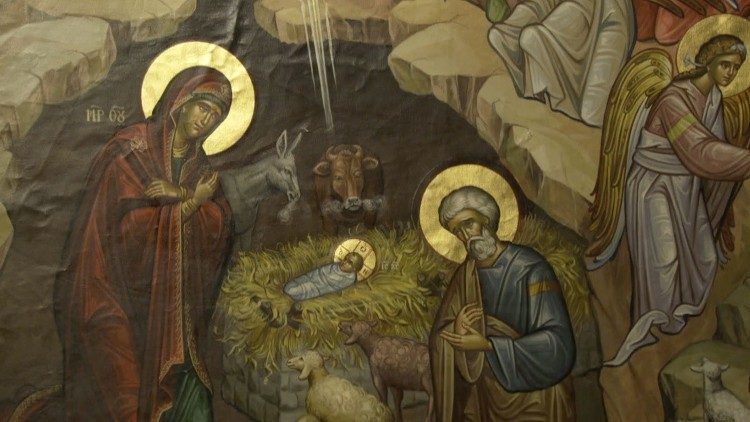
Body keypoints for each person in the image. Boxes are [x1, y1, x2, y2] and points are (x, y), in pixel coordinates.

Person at [54, 68, 234, 421]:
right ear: (182, 102)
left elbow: (220, 224)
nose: (206, 120)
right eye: (203, 108)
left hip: (173, 318)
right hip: (114, 295)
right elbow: (123, 232)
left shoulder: (200, 169)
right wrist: (191, 205)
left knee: (196, 407)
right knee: (127, 400)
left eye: (215, 116)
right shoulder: (131, 148)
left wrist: (184, 195)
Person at [595, 35, 750, 366]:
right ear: (708, 61)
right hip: (655, 186)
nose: (730, 73)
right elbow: (700, 151)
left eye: (736, 68)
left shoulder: (713, 99)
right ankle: (651, 325)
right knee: (664, 260)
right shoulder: (673, 98)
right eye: (725, 64)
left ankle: (675, 321)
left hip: (685, 187)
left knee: (705, 257)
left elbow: (714, 150)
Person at [428, 186, 576, 422]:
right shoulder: (465, 276)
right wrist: (455, 329)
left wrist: (489, 345)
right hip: (484, 398)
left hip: (535, 396)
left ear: (486, 220)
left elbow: (557, 345)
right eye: (457, 231)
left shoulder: (531, 268)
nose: (465, 236)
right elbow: (440, 338)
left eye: (468, 224)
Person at [487, 0, 635, 126]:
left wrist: (598, 92)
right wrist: (514, 25)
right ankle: (539, 93)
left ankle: (545, 92)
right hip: (573, 20)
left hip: (592, 24)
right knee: (516, 35)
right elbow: (544, 4)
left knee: (532, 38)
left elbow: (614, 28)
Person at [253, 251, 365, 328]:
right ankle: (271, 304)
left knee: (291, 291)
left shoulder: (349, 279)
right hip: (311, 277)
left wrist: (319, 279)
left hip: (316, 288)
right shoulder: (336, 266)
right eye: (346, 259)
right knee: (288, 287)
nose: (344, 262)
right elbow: (320, 271)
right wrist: (312, 276)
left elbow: (329, 285)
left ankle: (278, 312)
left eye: (349, 263)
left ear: (354, 269)